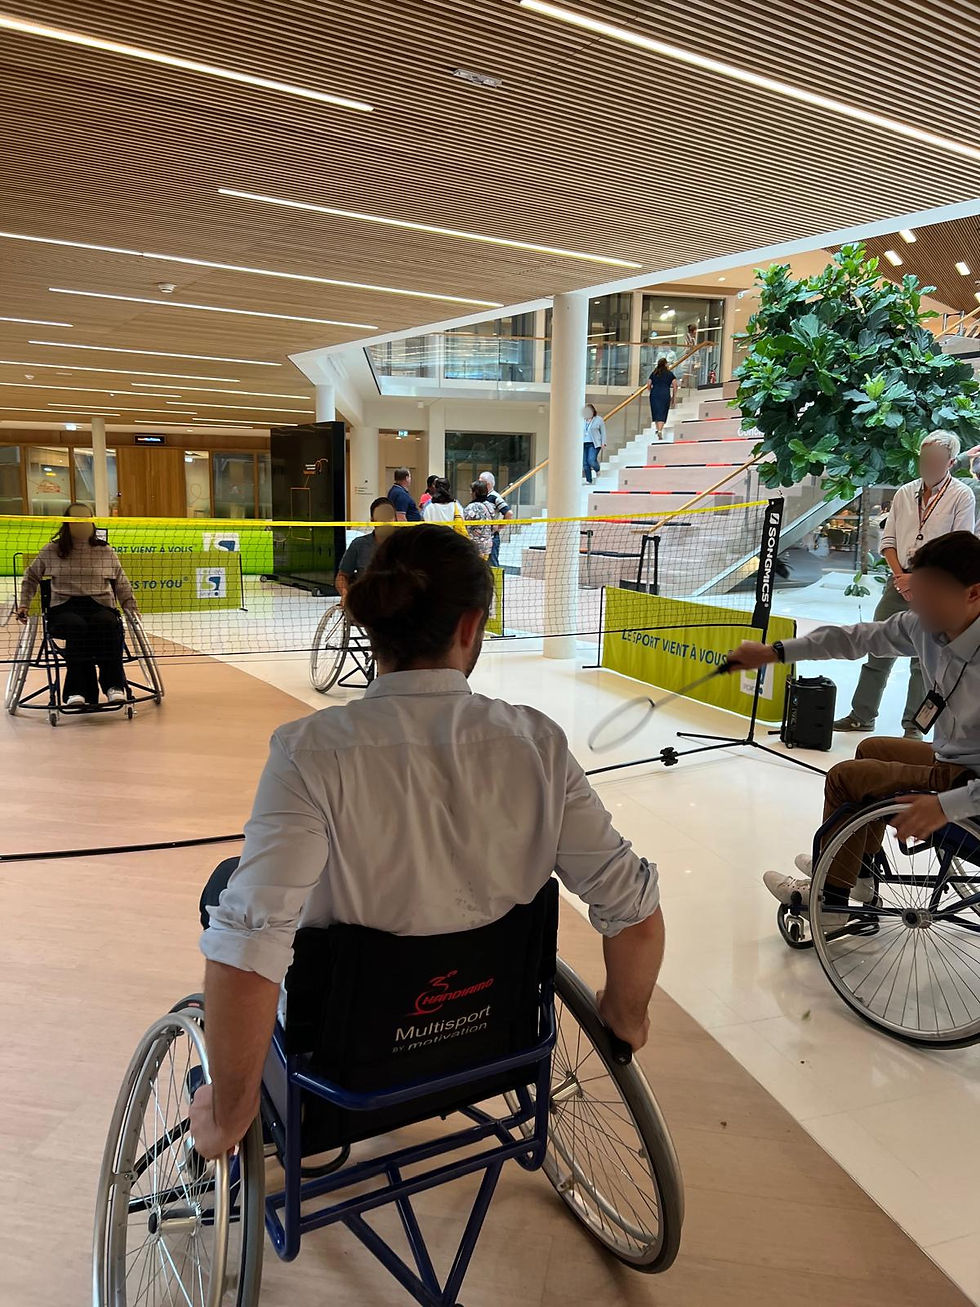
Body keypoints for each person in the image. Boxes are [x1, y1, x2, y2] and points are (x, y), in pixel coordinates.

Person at [190, 526, 664, 1159]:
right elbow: (633, 913)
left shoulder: (310, 753)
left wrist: (228, 1112)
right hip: (495, 1042)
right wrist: (626, 1017)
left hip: (350, 1068)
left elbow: (248, 948)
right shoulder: (539, 745)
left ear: (371, 623)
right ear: (470, 626)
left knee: (227, 887)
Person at [726, 532, 980, 917]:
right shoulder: (925, 625)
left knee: (846, 777)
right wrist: (775, 652)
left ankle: (830, 902)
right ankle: (854, 872)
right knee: (871, 749)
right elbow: (857, 638)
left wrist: (947, 805)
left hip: (970, 782)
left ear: (973, 594)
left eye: (930, 592)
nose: (918, 603)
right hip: (952, 758)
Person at [834, 431, 975, 739]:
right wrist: (900, 576)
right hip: (898, 582)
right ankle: (862, 715)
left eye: (935, 460)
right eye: (924, 459)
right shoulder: (904, 493)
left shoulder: (962, 496)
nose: (927, 465)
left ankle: (914, 727)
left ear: (950, 462)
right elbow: (888, 540)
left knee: (923, 661)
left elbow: (960, 546)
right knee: (877, 646)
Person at [16, 503, 136, 708]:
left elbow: (121, 581)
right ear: (67, 523)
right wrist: (24, 604)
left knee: (107, 624)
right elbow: (31, 576)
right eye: (76, 520)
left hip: (100, 605)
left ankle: (114, 686)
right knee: (75, 626)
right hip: (64, 606)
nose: (82, 523)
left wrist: (130, 607)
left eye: (86, 519)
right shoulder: (52, 550)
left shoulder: (105, 551)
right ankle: (77, 691)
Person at [334, 497, 396, 601]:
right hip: (366, 605)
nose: (386, 520)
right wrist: (345, 594)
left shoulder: (406, 545)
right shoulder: (359, 545)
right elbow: (342, 576)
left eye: (389, 516)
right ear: (372, 520)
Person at [478, 470, 513, 568]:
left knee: (492, 565)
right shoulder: (483, 497)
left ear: (487, 484)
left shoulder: (495, 497)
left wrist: (499, 527)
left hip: (491, 537)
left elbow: (509, 513)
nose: (478, 484)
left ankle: (496, 583)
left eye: (480, 482)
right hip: (482, 537)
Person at [463, 480, 495, 560]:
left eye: (471, 490)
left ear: (475, 492)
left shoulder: (472, 507)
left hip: (475, 546)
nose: (470, 493)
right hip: (487, 545)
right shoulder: (489, 505)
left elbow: (464, 522)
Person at [647, 359, 678, 439]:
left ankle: (658, 429)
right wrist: (674, 397)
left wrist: (652, 391)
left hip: (654, 394)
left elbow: (648, 384)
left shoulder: (654, 373)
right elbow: (675, 385)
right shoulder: (669, 374)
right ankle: (660, 430)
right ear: (665, 364)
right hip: (664, 393)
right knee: (662, 411)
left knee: (656, 411)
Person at [582, 403, 606, 485]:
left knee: (591, 460)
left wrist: (603, 443)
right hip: (584, 443)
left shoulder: (598, 419)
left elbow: (603, 432)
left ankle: (597, 469)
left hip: (594, 443)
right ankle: (589, 480)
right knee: (585, 463)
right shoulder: (582, 420)